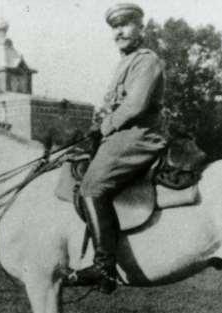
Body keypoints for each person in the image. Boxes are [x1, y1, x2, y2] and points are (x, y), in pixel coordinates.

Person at [63, 3, 166, 293]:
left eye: (126, 24)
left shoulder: (148, 61)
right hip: (120, 135)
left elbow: (135, 105)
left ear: (141, 28)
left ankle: (104, 267)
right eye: (115, 27)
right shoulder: (126, 62)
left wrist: (105, 127)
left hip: (140, 135)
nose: (119, 32)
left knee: (91, 188)